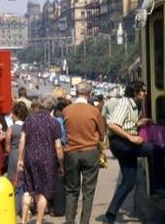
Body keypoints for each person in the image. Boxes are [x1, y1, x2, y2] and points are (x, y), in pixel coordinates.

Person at [103, 81, 165, 224]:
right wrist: (131, 137)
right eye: (143, 91)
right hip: (122, 143)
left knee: (128, 182)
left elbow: (126, 124)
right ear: (134, 92)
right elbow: (112, 124)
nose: (145, 93)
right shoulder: (125, 103)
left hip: (123, 144)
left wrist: (140, 123)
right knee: (155, 151)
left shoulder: (134, 105)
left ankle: (110, 215)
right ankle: (158, 186)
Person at [63, 81, 106, 224]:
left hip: (71, 153)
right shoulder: (94, 111)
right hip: (90, 152)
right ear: (89, 94)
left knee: (71, 190)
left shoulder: (66, 110)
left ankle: (69, 221)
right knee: (88, 191)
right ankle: (84, 221)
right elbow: (102, 134)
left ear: (76, 92)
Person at [17, 94, 64, 224]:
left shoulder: (29, 120)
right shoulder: (54, 123)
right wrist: (60, 164)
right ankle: (38, 221)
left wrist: (20, 159)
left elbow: (22, 140)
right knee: (43, 192)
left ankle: (23, 220)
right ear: (53, 107)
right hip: (47, 160)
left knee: (28, 189)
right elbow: (58, 147)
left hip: (30, 158)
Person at [5, 102, 29, 217]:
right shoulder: (28, 126)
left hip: (14, 155)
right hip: (26, 154)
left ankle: (15, 206)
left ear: (15, 114)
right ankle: (25, 208)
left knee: (13, 181)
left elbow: (7, 145)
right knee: (25, 182)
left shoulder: (11, 128)